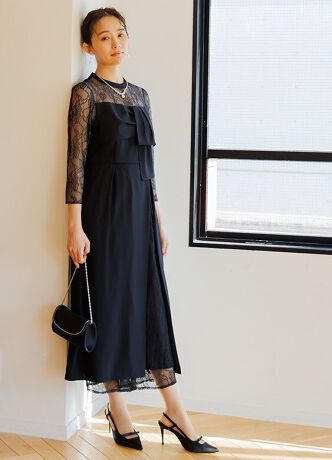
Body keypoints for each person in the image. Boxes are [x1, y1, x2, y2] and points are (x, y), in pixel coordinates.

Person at [63, 7, 218, 454]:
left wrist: (159, 220)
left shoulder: (142, 96)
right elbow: (76, 165)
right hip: (102, 216)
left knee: (152, 308)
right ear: (88, 46)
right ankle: (119, 409)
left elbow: (149, 167)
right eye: (104, 37)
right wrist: (75, 227)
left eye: (121, 34)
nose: (116, 43)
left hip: (140, 217)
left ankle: (176, 413)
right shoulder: (85, 94)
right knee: (109, 306)